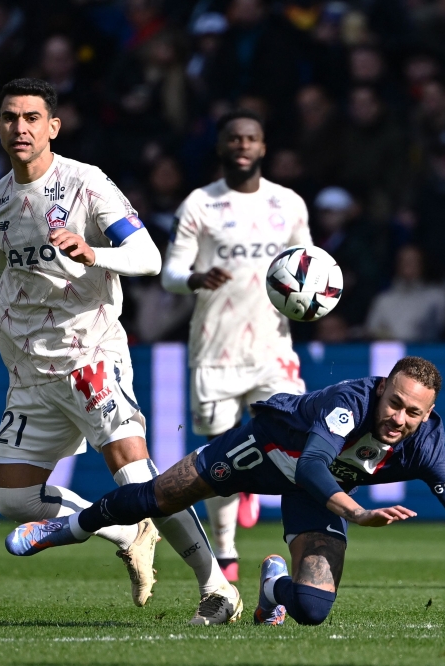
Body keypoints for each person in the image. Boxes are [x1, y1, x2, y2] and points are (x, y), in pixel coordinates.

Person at [0, 78, 243, 625]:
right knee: (14, 502)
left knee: (136, 474)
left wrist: (93, 251)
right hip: (28, 370)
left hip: (91, 358)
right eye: (10, 117)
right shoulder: (0, 194)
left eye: (32, 117)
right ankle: (124, 526)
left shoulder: (85, 183)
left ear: (53, 126)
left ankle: (217, 588)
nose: (20, 127)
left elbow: (147, 256)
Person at [5, 357, 445, 630]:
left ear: (428, 415)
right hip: (265, 449)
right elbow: (316, 465)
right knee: (156, 497)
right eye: (393, 402)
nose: (397, 417)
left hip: (316, 491)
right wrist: (357, 514)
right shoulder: (349, 401)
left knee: (314, 611)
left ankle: (273, 583)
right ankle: (66, 528)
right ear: (382, 388)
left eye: (412, 412)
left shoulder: (427, 449)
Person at [161, 109, 311, 582]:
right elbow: (169, 275)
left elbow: (310, 268)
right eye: (234, 138)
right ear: (222, 147)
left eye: (252, 138)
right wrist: (197, 277)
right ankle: (225, 548)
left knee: (293, 438)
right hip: (214, 350)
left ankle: (262, 503)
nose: (243, 145)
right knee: (220, 457)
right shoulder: (200, 205)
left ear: (263, 147)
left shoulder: (288, 204)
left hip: (272, 348)